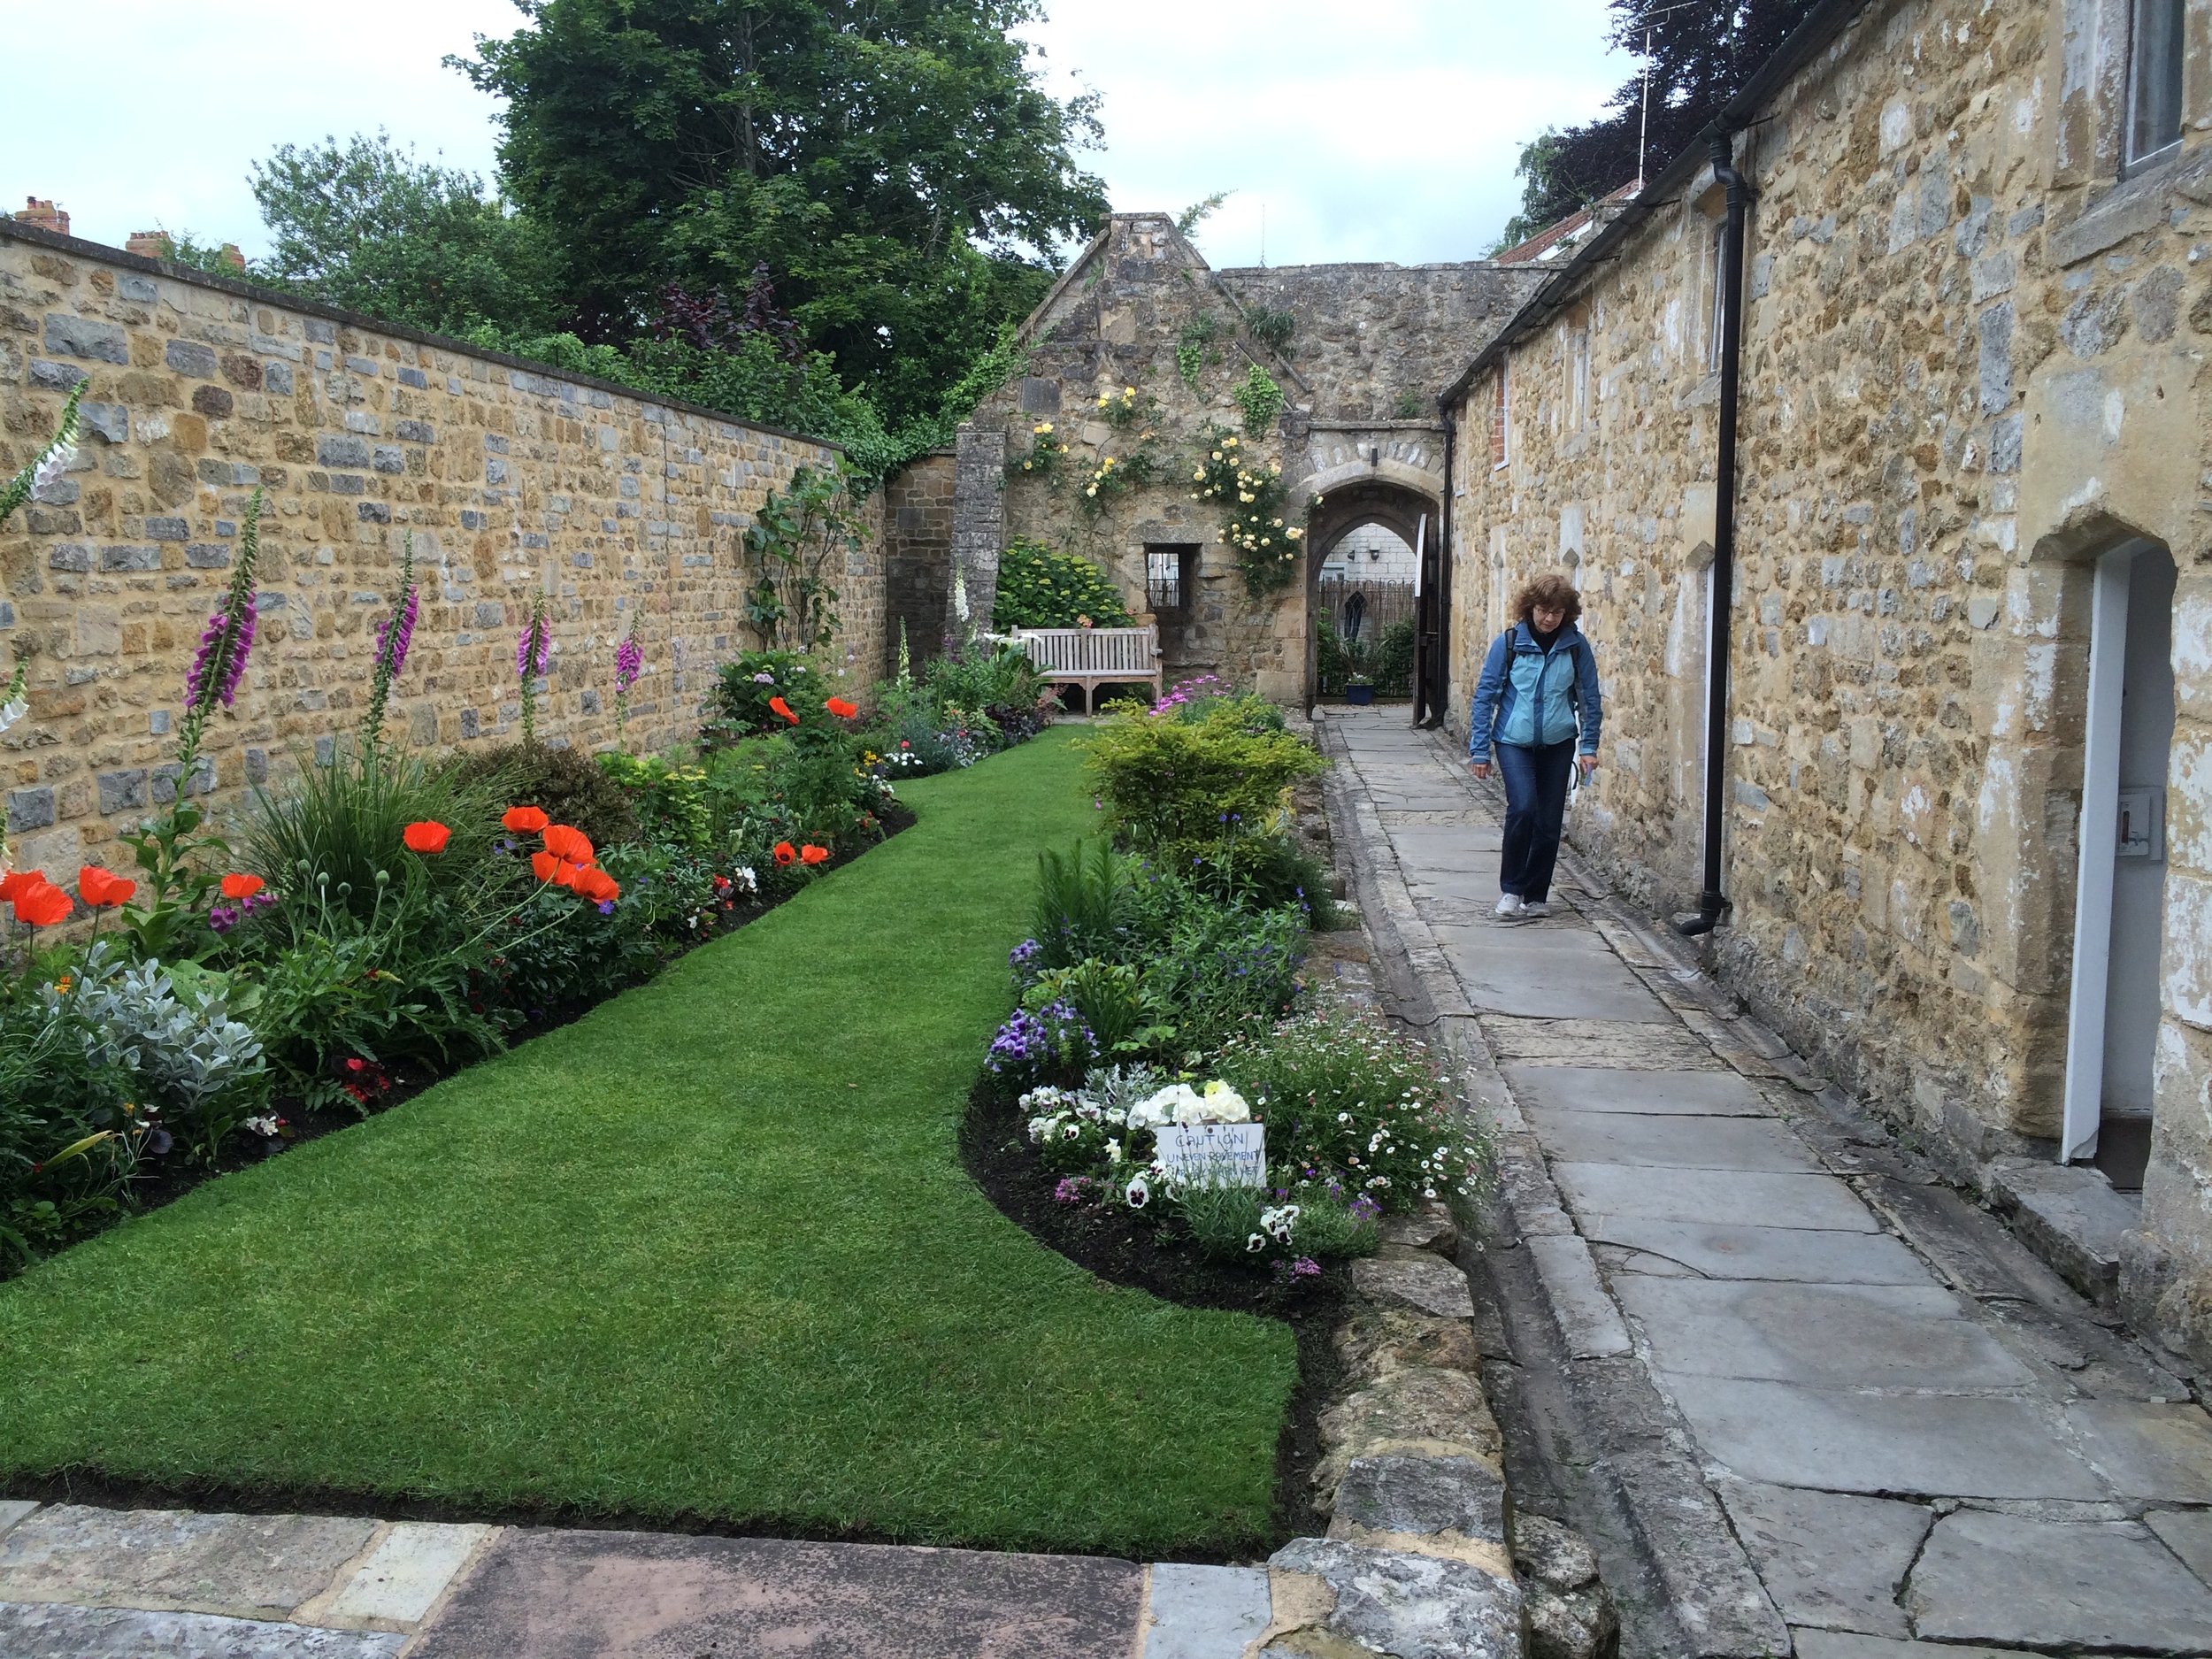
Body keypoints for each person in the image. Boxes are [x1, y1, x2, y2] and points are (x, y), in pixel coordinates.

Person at [1467, 572, 1602, 919]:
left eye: (1557, 612)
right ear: (1531, 608)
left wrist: (1588, 746)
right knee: (1523, 807)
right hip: (1513, 740)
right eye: (1543, 610)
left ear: (1566, 614)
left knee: (1549, 821)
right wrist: (1480, 750)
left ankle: (1536, 896)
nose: (1548, 618)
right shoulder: (1510, 642)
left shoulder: (1575, 646)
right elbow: (1485, 697)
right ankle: (1511, 891)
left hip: (1558, 742)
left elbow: (1589, 698)